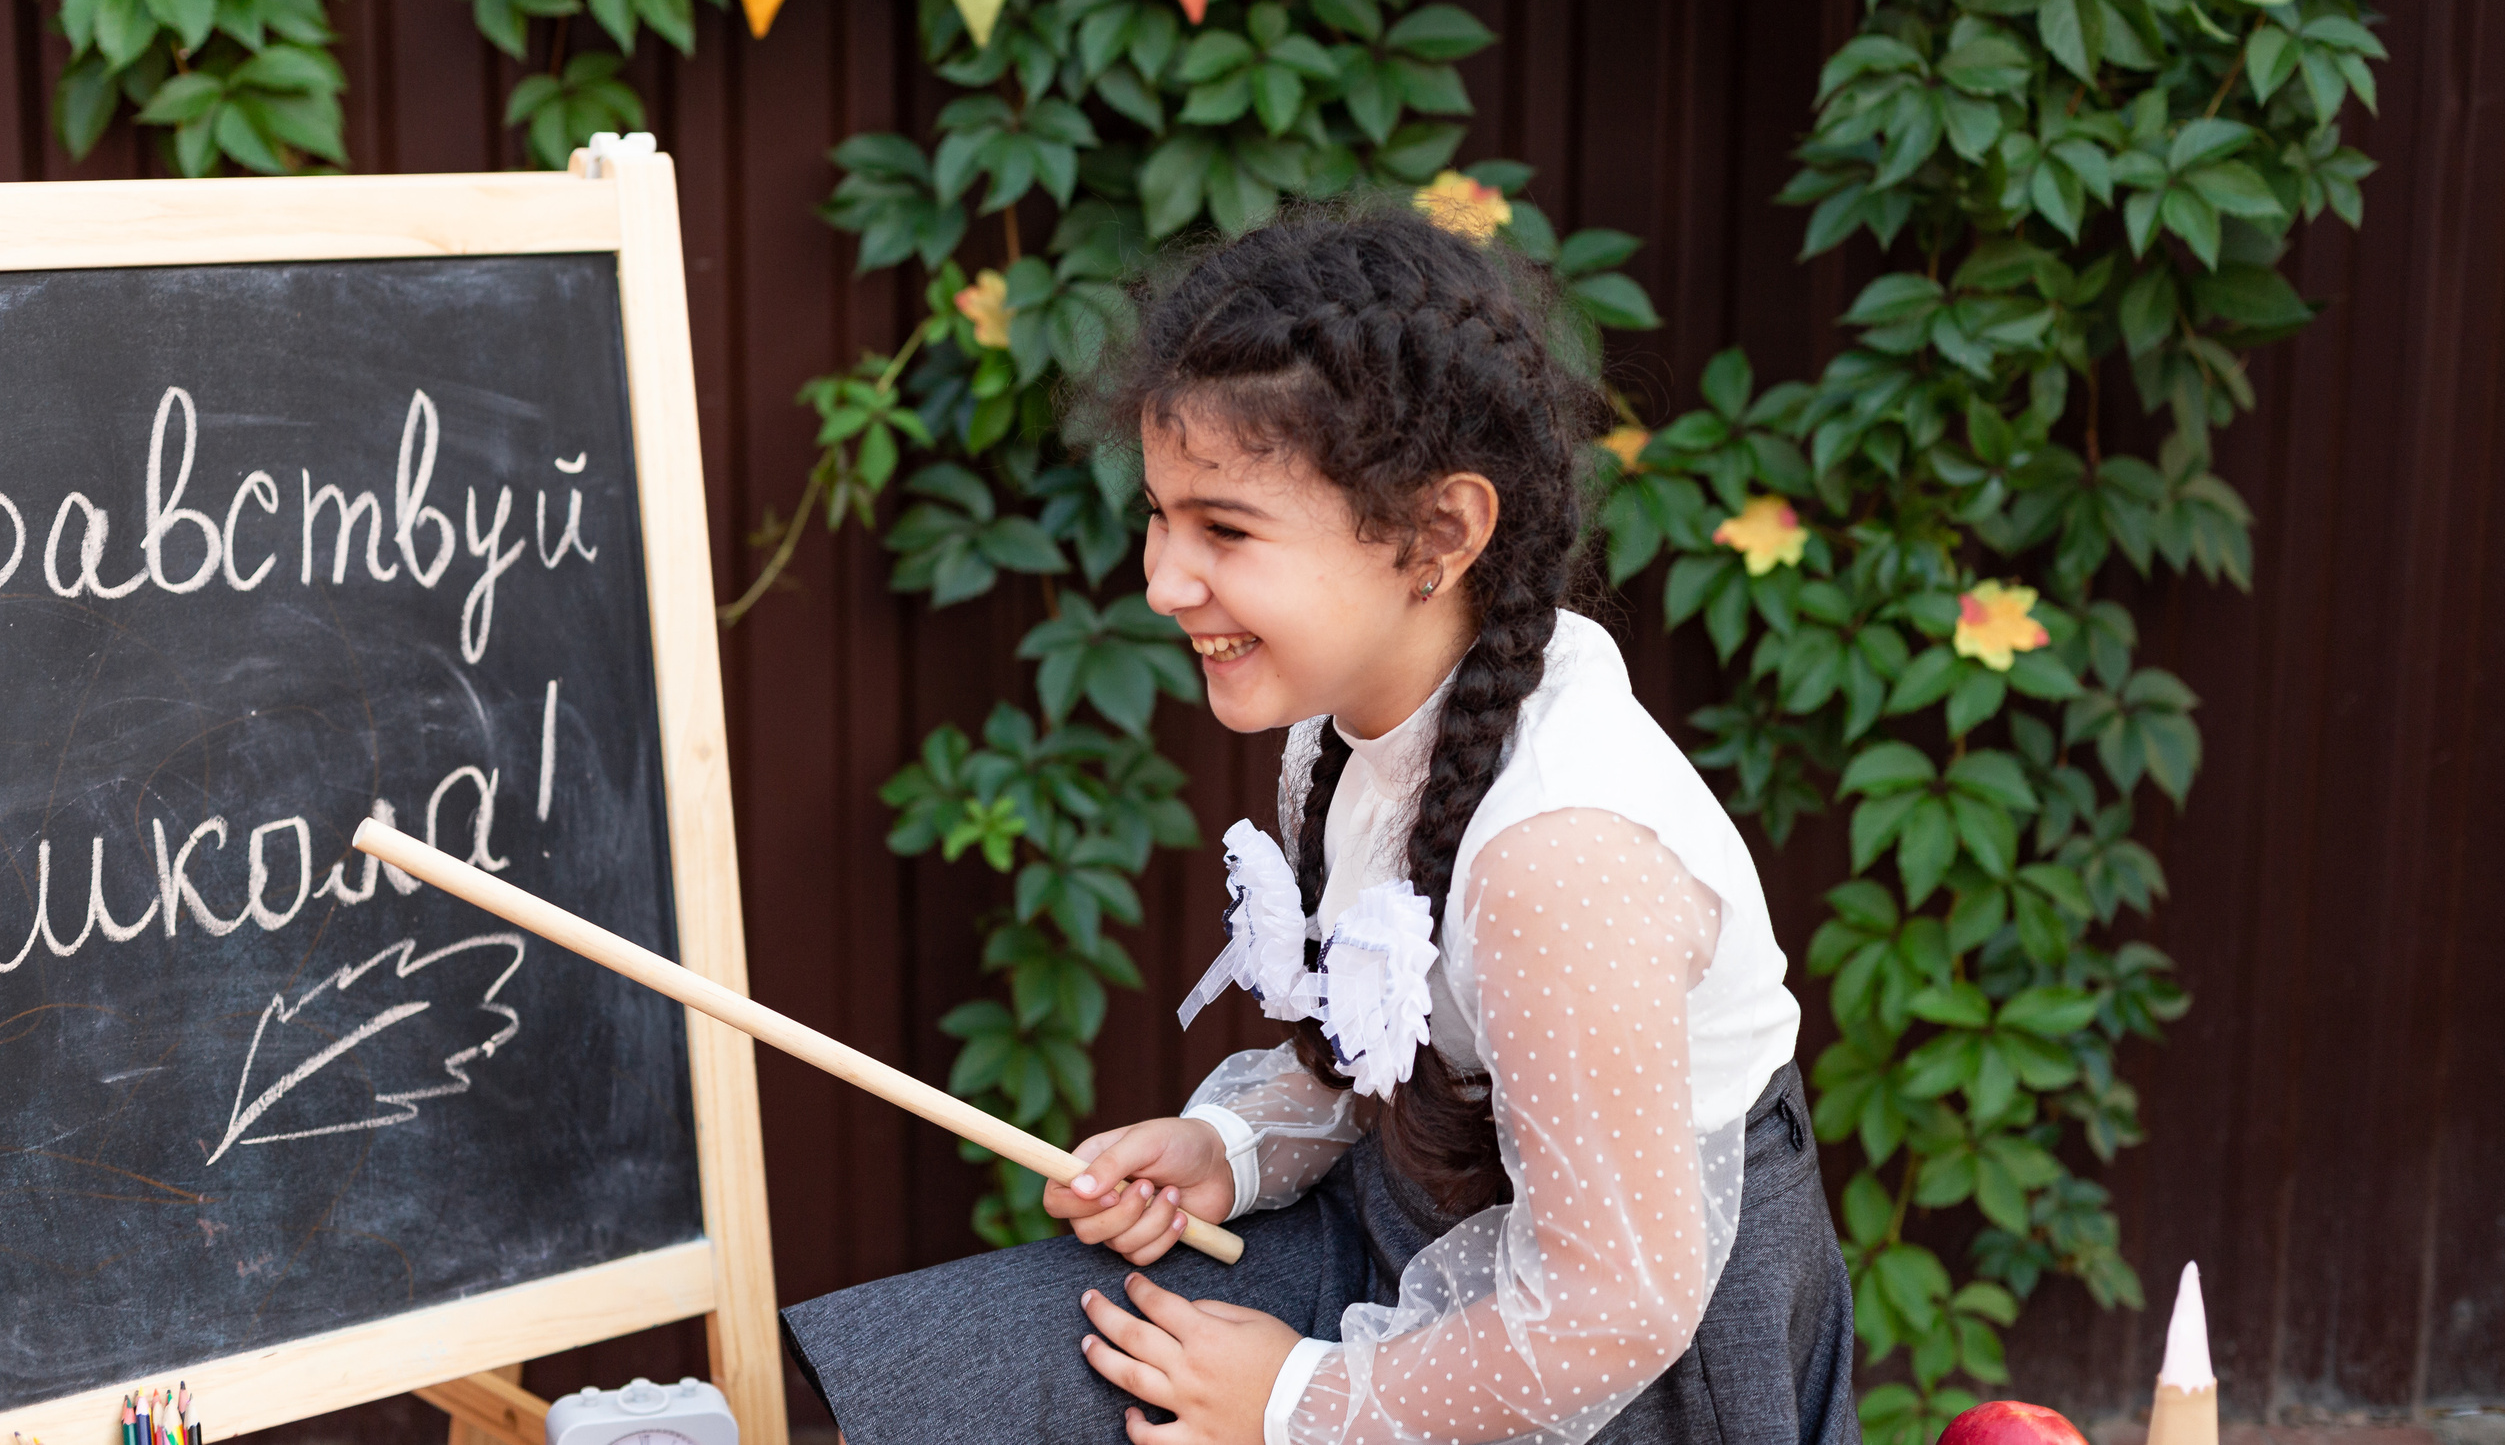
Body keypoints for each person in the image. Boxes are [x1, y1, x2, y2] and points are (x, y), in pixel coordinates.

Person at [782, 205, 1858, 1445]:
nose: (1162, 582)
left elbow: (1613, 1306)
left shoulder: (1560, 854)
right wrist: (1228, 1143)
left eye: (1225, 529)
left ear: (1439, 535)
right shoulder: (1344, 725)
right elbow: (1378, 1061)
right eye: (1159, 513)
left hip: (1615, 1365)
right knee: (963, 1378)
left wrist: (1300, 1401)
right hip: (1411, 1225)